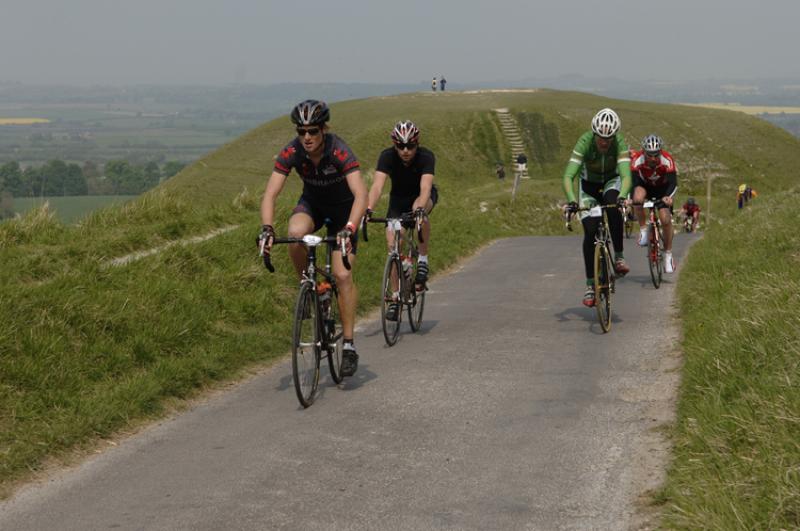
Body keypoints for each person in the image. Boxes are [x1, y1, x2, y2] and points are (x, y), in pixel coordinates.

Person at [259, 100, 367, 377]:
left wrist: (351, 227)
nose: (307, 137)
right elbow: (271, 193)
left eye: (313, 131)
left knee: (343, 276)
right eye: (301, 131)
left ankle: (350, 345)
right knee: (295, 234)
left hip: (345, 212)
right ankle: (308, 287)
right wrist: (267, 228)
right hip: (313, 205)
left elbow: (361, 194)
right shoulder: (292, 151)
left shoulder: (339, 151)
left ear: (324, 129)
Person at [366, 120, 438, 321]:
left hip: (421, 196)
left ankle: (422, 260)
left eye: (410, 146)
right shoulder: (387, 157)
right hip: (398, 200)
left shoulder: (426, 156)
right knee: (393, 246)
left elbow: (425, 188)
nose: (405, 151)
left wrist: (420, 208)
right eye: (400, 146)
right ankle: (396, 298)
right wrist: (368, 209)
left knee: (418, 211)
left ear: (417, 143)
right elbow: (377, 187)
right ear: (394, 144)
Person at [562, 108, 632, 307]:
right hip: (589, 187)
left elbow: (626, 176)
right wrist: (571, 200)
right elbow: (568, 176)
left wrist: (623, 196)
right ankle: (590, 285)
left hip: (611, 182)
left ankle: (618, 257)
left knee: (613, 206)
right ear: (594, 134)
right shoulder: (584, 142)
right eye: (601, 137)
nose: (604, 142)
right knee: (591, 232)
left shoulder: (619, 143)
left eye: (608, 138)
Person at [630, 134, 679, 273]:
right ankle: (644, 230)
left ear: (660, 152)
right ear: (643, 151)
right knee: (637, 198)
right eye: (649, 154)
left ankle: (668, 254)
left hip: (663, 190)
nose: (652, 158)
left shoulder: (667, 159)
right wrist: (630, 198)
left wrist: (668, 197)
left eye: (656, 155)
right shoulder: (636, 160)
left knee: (665, 218)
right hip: (645, 187)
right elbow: (633, 183)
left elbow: (673, 183)